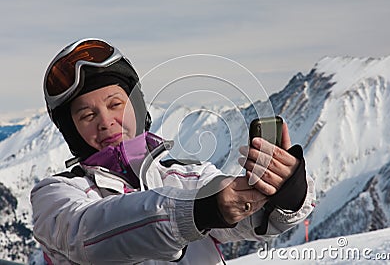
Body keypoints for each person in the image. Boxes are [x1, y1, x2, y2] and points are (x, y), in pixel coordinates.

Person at [30, 38, 316, 264]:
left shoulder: (189, 176)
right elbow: (88, 236)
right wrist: (197, 211)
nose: (106, 122)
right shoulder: (55, 194)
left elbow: (252, 224)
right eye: (87, 116)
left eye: (116, 104)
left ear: (137, 106)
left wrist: (285, 194)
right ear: (72, 132)